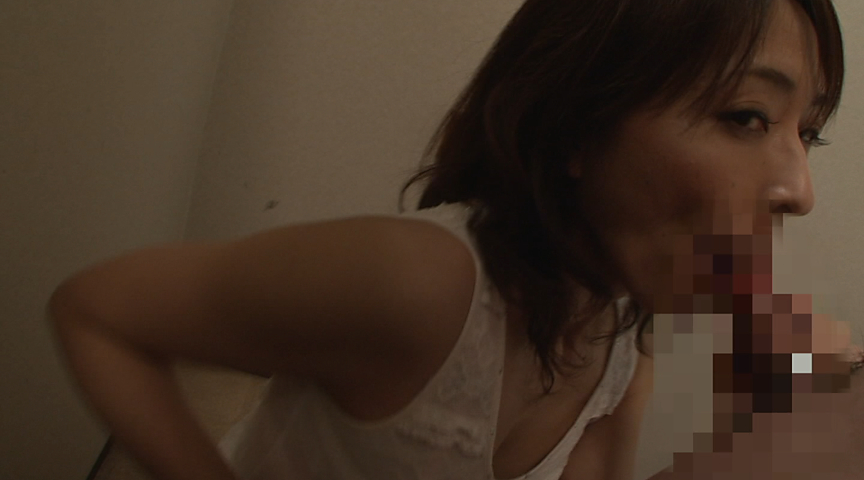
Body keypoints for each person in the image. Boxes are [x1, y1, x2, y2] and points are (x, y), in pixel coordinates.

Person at [47, 0, 851, 479]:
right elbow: (96, 311)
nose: (800, 190)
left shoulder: (618, 335)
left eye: (805, 133)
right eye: (747, 116)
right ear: (579, 123)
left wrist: (784, 418)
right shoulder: (417, 285)